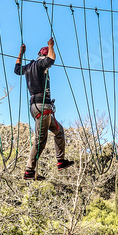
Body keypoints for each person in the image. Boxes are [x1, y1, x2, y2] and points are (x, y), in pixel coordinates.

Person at [14, 37, 74, 180]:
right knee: (40, 140)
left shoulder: (29, 67)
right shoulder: (41, 64)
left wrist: (21, 53)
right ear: (43, 56)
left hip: (37, 107)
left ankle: (61, 161)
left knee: (59, 131)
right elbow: (51, 59)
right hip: (42, 107)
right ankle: (29, 170)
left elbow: (17, 69)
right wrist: (51, 46)